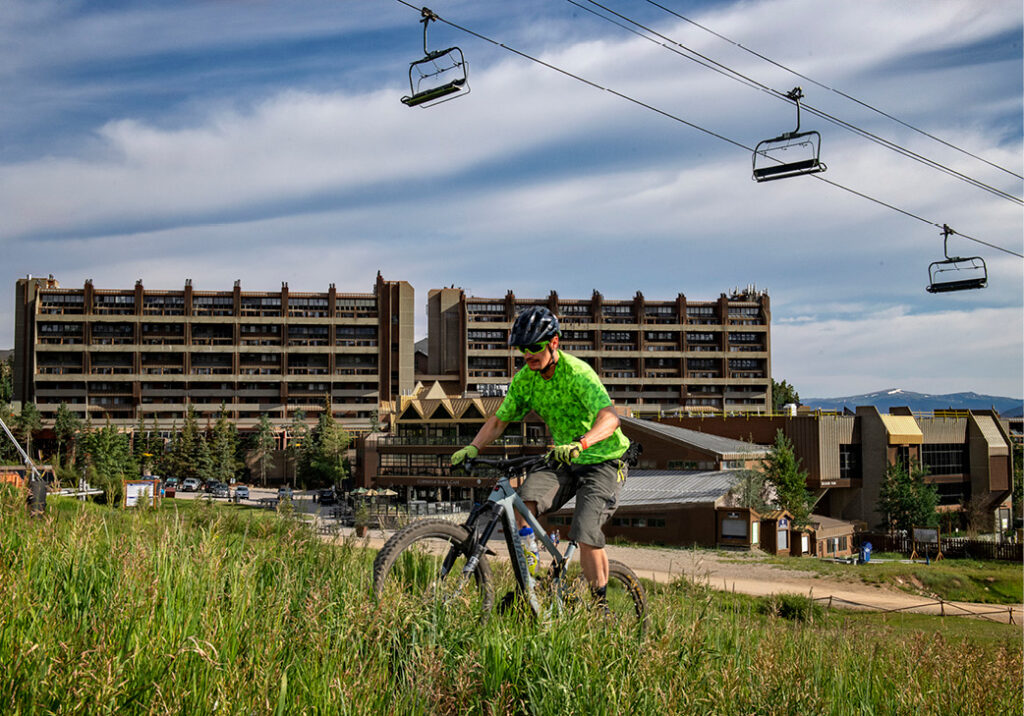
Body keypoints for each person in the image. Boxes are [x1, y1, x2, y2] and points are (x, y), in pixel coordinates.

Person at [451, 305, 630, 605]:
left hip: (604, 460)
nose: (528, 354)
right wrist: (473, 447)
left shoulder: (577, 373)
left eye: (534, 347)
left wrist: (582, 443)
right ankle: (531, 565)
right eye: (522, 349)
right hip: (565, 459)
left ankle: (601, 610)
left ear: (554, 343)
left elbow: (611, 419)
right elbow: (498, 421)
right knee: (523, 502)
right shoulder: (525, 380)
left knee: (585, 533)